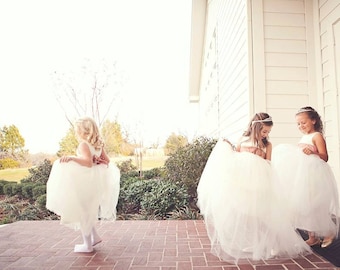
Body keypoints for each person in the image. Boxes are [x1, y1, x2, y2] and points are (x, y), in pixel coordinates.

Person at [197, 112, 311, 263]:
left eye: (268, 132)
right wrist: (227, 148)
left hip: (261, 184)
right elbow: (235, 160)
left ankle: (273, 243)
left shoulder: (267, 145)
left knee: (263, 215)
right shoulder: (242, 140)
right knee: (246, 214)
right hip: (244, 184)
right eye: (264, 131)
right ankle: (253, 243)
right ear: (255, 127)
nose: (266, 135)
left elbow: (268, 163)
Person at [46, 117, 120, 253]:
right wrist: (97, 160)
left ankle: (87, 245)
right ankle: (95, 236)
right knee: (88, 210)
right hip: (95, 181)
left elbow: (87, 162)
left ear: (83, 130)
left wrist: (71, 158)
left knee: (83, 211)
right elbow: (106, 161)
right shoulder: (98, 144)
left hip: (87, 182)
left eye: (77, 129)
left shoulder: (84, 145)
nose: (76, 132)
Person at [272, 106, 340, 248]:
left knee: (316, 205)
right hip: (305, 175)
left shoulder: (317, 136)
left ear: (313, 120)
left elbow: (325, 156)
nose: (300, 126)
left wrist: (312, 153)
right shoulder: (304, 137)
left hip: (316, 175)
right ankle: (312, 237)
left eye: (303, 122)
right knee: (306, 204)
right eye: (298, 124)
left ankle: (329, 233)